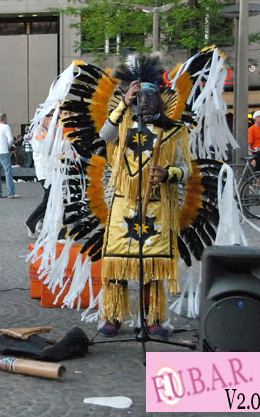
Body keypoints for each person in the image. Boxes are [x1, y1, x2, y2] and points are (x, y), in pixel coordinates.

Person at [97, 79, 192, 338]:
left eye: (150, 97)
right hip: (124, 202)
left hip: (157, 205)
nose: (145, 102)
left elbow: (186, 170)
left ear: (160, 100)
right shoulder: (123, 125)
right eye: (139, 97)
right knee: (117, 260)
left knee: (152, 264)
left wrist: (167, 173)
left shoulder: (174, 131)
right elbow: (105, 135)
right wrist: (123, 104)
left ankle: (153, 318)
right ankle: (114, 315)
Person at [24, 111, 53, 238]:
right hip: (45, 171)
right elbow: (45, 150)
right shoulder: (38, 132)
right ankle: (32, 222)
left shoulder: (49, 131)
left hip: (51, 171)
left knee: (50, 198)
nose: (52, 119)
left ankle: (39, 222)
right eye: (50, 116)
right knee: (49, 199)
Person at [0, 113, 19, 198]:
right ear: (5, 119)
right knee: (8, 172)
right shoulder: (6, 127)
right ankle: (11, 193)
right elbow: (10, 139)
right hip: (4, 151)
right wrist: (8, 146)